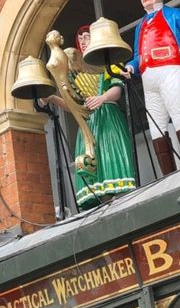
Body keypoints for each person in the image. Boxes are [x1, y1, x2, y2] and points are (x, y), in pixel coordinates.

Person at [43, 27, 136, 210]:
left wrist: (102, 98)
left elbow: (117, 89)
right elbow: (73, 105)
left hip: (108, 116)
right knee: (94, 162)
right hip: (88, 122)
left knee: (110, 157)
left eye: (88, 36)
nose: (84, 40)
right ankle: (104, 204)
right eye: (80, 38)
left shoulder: (108, 62)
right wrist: (53, 97)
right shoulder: (75, 71)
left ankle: (122, 201)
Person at [124, 0, 180, 175]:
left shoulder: (175, 14)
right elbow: (139, 55)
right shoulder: (141, 25)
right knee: (157, 128)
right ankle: (169, 175)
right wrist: (131, 66)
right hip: (150, 83)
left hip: (171, 72)